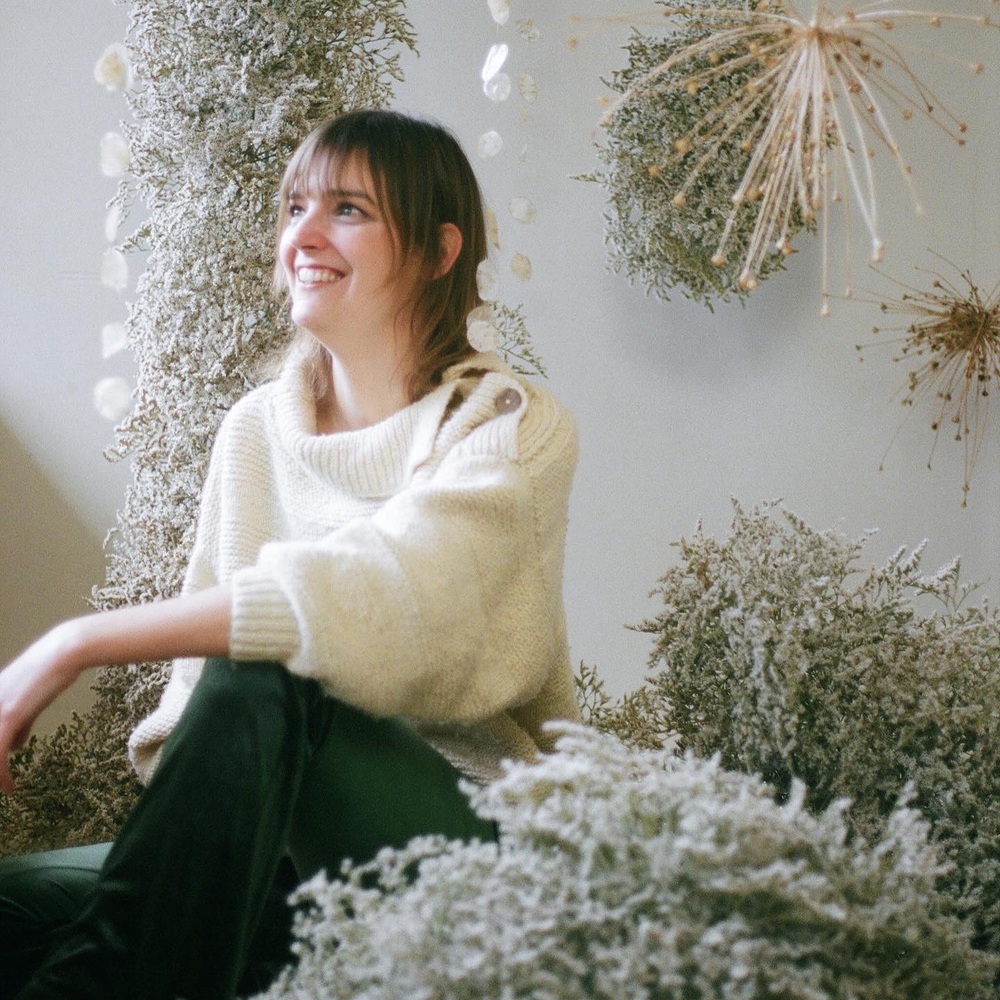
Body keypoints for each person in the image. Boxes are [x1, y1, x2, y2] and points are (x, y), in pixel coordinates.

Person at [0, 108, 579, 999]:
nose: (301, 235)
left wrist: (68, 644)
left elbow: (385, 595)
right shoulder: (255, 431)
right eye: (295, 206)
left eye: (347, 209)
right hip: (276, 849)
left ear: (437, 251)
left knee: (278, 659)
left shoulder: (504, 426)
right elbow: (202, 705)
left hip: (461, 841)